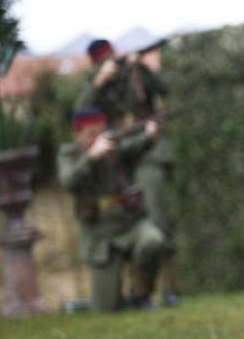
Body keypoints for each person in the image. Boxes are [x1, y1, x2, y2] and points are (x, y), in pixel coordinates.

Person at [78, 38, 180, 307]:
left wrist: (140, 67)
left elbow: (164, 89)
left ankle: (165, 289)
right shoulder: (92, 80)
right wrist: (99, 81)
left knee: (157, 219)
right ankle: (132, 289)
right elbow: (80, 112)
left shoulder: (133, 71)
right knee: (126, 220)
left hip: (146, 151)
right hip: (114, 156)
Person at [57, 107, 166, 311]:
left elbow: (135, 146)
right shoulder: (69, 153)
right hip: (101, 236)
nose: (99, 138)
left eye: (101, 131)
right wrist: (91, 156)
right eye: (92, 134)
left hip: (130, 223)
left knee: (153, 241)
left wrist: (149, 136)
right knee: (107, 308)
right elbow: (68, 181)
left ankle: (141, 294)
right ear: (77, 134)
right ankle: (84, 304)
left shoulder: (115, 148)